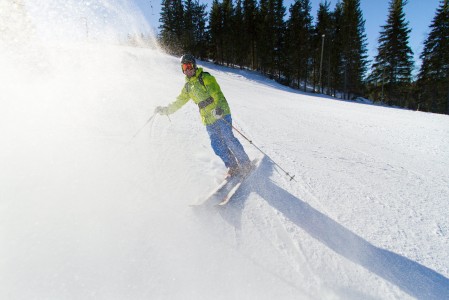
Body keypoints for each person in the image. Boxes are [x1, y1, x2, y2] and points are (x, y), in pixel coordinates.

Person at [154, 54, 251, 177]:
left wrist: (219, 108)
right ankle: (233, 166)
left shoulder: (205, 78)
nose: (188, 69)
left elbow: (217, 94)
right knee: (216, 145)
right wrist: (165, 110)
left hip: (220, 113)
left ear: (194, 66)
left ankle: (246, 163)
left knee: (228, 138)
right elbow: (179, 101)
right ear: (182, 69)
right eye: (185, 66)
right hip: (208, 119)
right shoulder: (188, 87)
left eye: (189, 66)